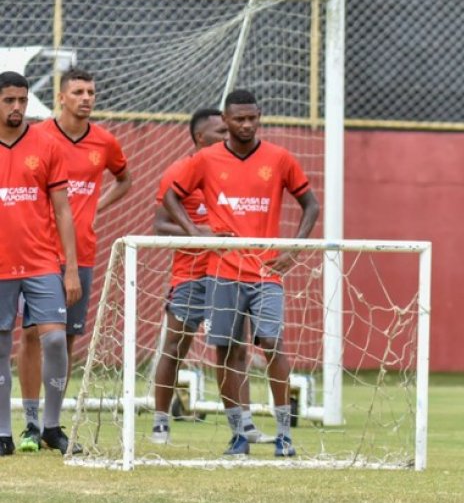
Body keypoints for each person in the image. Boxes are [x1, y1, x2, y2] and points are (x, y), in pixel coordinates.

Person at [163, 90, 320, 458]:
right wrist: (195, 235)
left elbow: (310, 203)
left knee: (271, 344)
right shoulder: (205, 159)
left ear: (259, 116)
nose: (247, 125)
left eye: (253, 118)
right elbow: (172, 196)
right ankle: (239, 434)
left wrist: (294, 249)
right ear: (227, 120)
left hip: (266, 271)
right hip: (222, 270)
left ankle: (284, 434)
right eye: (239, 120)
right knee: (228, 351)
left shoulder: (279, 158)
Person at [17, 67, 130, 454]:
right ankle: (30, 422)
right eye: (78, 91)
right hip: (35, 252)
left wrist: (99, 205)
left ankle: (52, 424)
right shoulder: (38, 138)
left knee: (64, 340)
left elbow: (125, 178)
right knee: (32, 334)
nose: (87, 98)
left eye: (92, 92)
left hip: (80, 253)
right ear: (61, 97)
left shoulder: (105, 142)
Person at [149, 108, 264, 446]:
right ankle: (160, 421)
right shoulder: (180, 172)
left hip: (229, 275)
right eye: (219, 132)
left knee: (233, 352)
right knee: (174, 347)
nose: (228, 136)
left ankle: (242, 426)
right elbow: (159, 225)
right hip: (191, 275)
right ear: (201, 138)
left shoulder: (234, 170)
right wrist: (203, 233)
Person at [0, 71, 82, 456]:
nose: (17, 107)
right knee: (1, 347)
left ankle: (51, 426)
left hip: (42, 263)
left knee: (54, 338)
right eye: (8, 100)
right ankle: (3, 432)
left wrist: (70, 267)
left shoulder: (47, 145)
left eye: (22, 99)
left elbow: (63, 212)